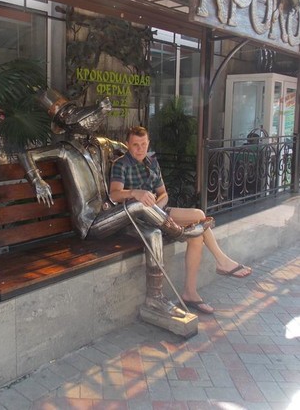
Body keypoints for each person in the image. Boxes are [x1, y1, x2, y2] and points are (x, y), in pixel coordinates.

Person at [19, 89, 211, 320]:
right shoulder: (63, 149)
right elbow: (26, 154)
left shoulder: (102, 143)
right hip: (91, 223)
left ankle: (155, 299)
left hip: (112, 216)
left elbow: (130, 150)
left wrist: (144, 163)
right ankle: (180, 233)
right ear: (62, 125)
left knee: (153, 234)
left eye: (73, 110)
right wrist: (37, 181)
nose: (75, 116)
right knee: (138, 204)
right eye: (67, 114)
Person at [110, 126, 252, 314]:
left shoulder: (152, 162)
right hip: (137, 219)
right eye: (135, 145)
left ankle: (190, 292)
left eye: (143, 144)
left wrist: (158, 207)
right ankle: (221, 261)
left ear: (148, 143)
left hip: (159, 212)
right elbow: (115, 194)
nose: (140, 149)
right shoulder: (121, 164)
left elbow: (164, 194)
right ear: (128, 144)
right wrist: (135, 193)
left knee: (197, 229)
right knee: (199, 220)